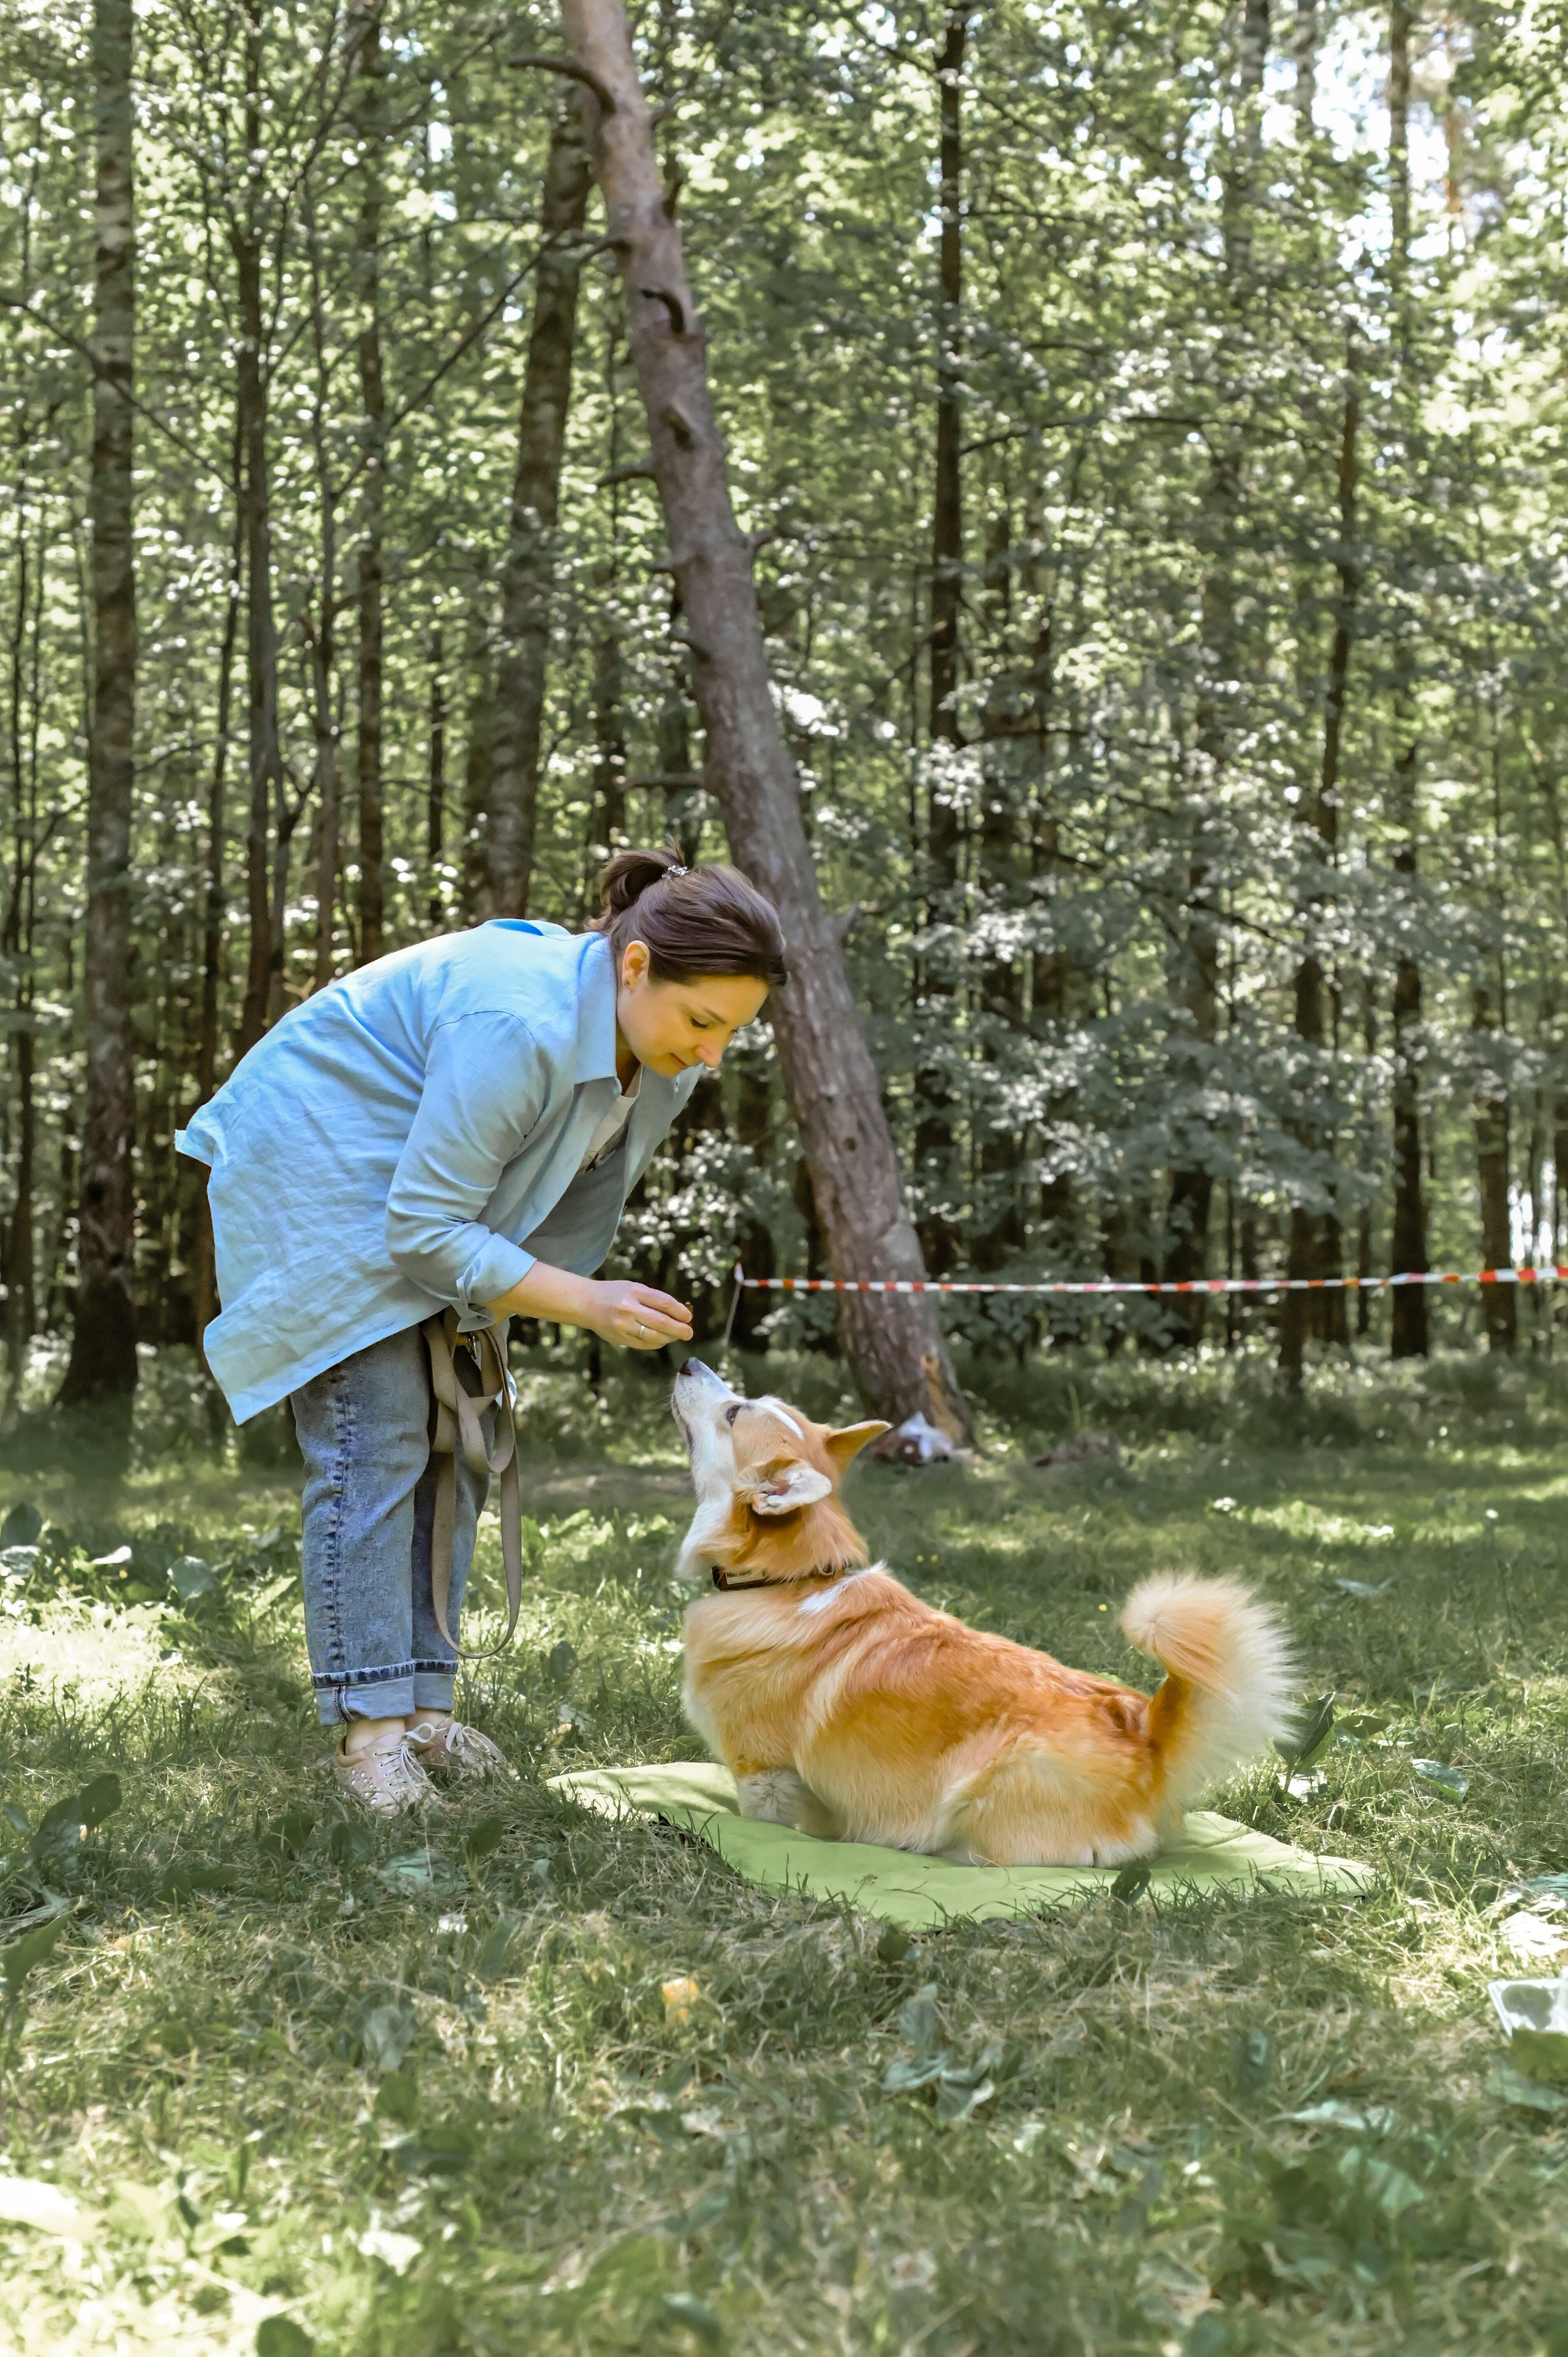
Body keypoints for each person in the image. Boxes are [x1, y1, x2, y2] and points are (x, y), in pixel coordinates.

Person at [176, 848, 786, 1812]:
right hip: (326, 1168)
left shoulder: (662, 1056)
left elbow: (575, 1198)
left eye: (734, 1033)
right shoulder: (520, 1020)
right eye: (703, 1021)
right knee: (375, 1433)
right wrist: (583, 1304)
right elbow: (421, 1224)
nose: (714, 1053)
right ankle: (368, 1736)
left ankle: (422, 1708)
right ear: (634, 969)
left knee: (455, 1440)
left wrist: (518, 1301)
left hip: (445, 1210)